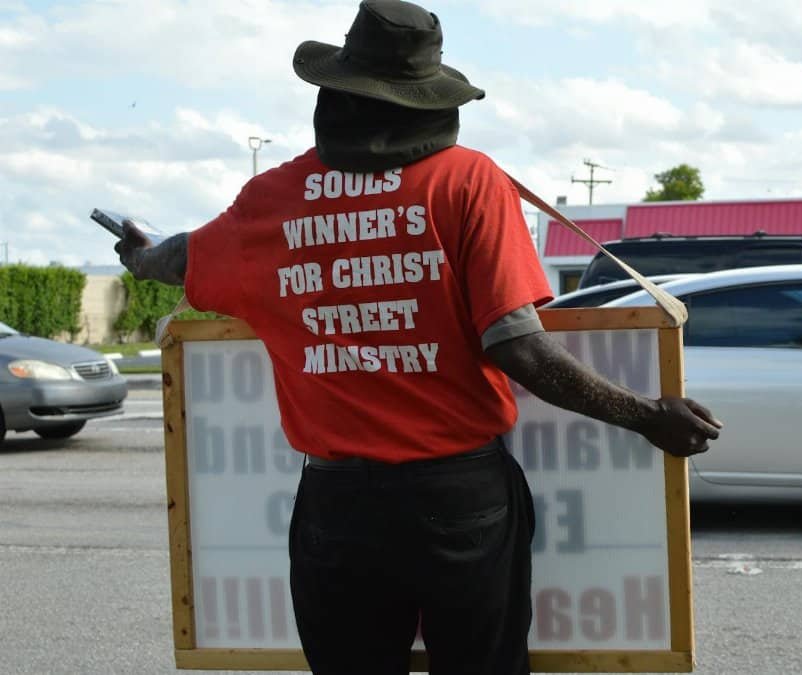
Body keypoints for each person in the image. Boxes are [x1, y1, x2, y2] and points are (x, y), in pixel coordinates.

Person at [114, 2, 721, 673]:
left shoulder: (273, 198)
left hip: (335, 509)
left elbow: (179, 258)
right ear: (426, 99)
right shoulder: (470, 182)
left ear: (337, 90)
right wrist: (646, 415)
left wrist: (138, 254)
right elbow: (516, 345)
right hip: (460, 501)